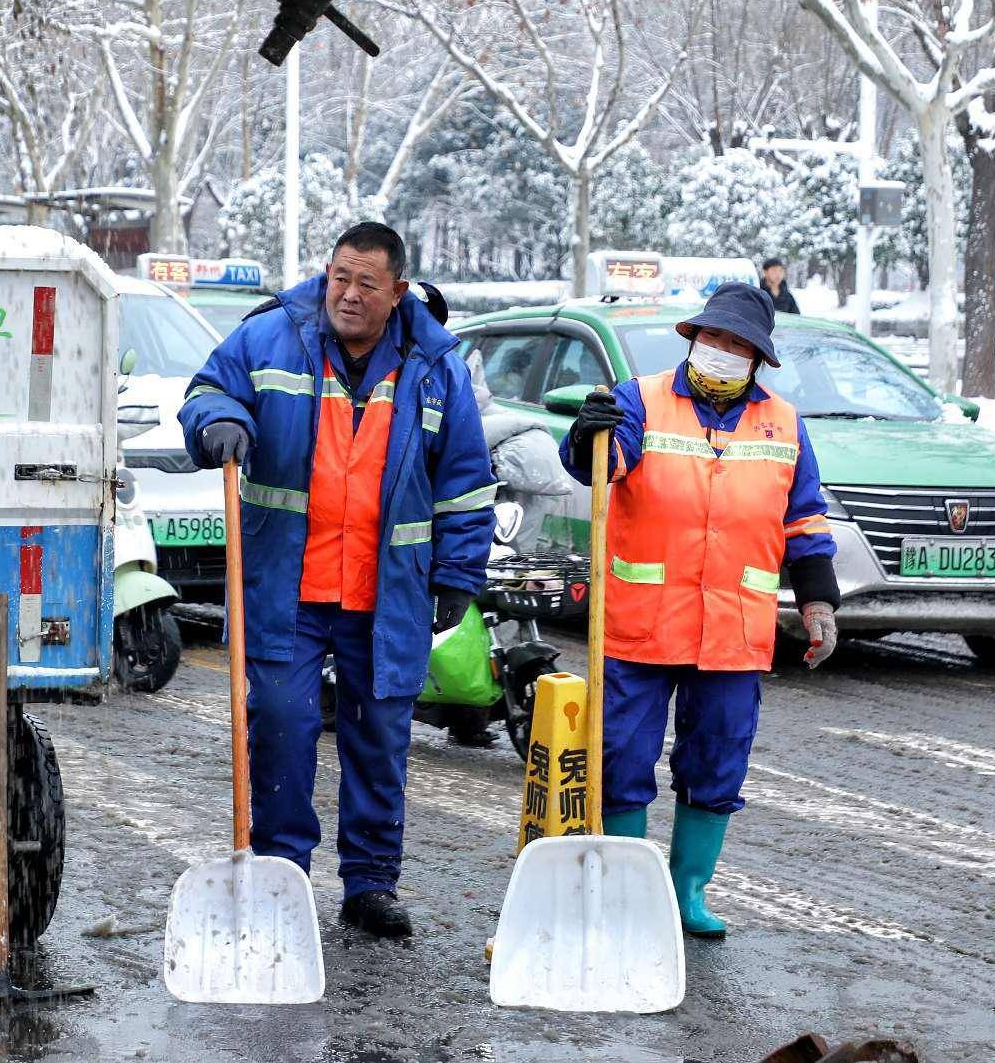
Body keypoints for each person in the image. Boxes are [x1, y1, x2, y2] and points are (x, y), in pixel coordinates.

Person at [178, 222, 495, 938]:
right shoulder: (269, 337)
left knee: (378, 736)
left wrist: (457, 572)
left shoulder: (435, 365)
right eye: (338, 278)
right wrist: (218, 422)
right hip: (285, 583)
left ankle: (370, 883)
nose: (347, 295)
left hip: (386, 591)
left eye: (366, 283)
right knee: (283, 725)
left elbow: (466, 479)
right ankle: (283, 873)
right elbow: (205, 391)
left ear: (398, 292)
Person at [561, 282, 839, 940]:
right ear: (694, 337)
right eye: (712, 338)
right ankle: (629, 888)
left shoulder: (784, 423)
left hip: (733, 629)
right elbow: (604, 462)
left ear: (757, 357)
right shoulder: (640, 399)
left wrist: (818, 601)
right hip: (640, 621)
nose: (720, 350)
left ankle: (687, 890)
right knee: (621, 759)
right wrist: (587, 437)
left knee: (716, 760)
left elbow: (804, 522)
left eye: (736, 344)